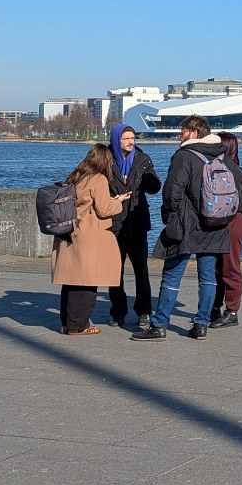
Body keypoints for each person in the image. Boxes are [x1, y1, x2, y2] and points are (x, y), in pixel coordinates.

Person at [132, 115, 231, 341]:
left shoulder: (184, 156)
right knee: (208, 276)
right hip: (215, 223)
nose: (180, 135)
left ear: (194, 133)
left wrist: (169, 216)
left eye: (183, 131)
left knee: (172, 275)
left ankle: (159, 325)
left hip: (186, 223)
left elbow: (171, 192)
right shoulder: (221, 154)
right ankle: (201, 324)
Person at [51, 143, 130, 335]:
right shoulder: (98, 178)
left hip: (70, 232)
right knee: (86, 281)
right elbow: (104, 210)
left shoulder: (76, 175)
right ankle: (78, 326)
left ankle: (67, 323)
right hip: (88, 235)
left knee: (70, 280)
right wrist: (118, 202)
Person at [106, 124, 162, 330]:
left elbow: (155, 187)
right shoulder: (106, 159)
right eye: (126, 138)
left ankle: (144, 311)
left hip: (137, 221)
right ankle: (118, 311)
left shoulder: (142, 159)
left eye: (132, 138)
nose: (131, 142)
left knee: (141, 270)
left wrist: (150, 181)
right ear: (116, 140)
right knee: (114, 271)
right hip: (114, 222)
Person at [209, 131, 242, 327]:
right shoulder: (236, 169)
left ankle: (231, 310)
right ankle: (217, 307)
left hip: (232, 221)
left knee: (229, 266)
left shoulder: (228, 169)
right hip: (233, 220)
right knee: (221, 266)